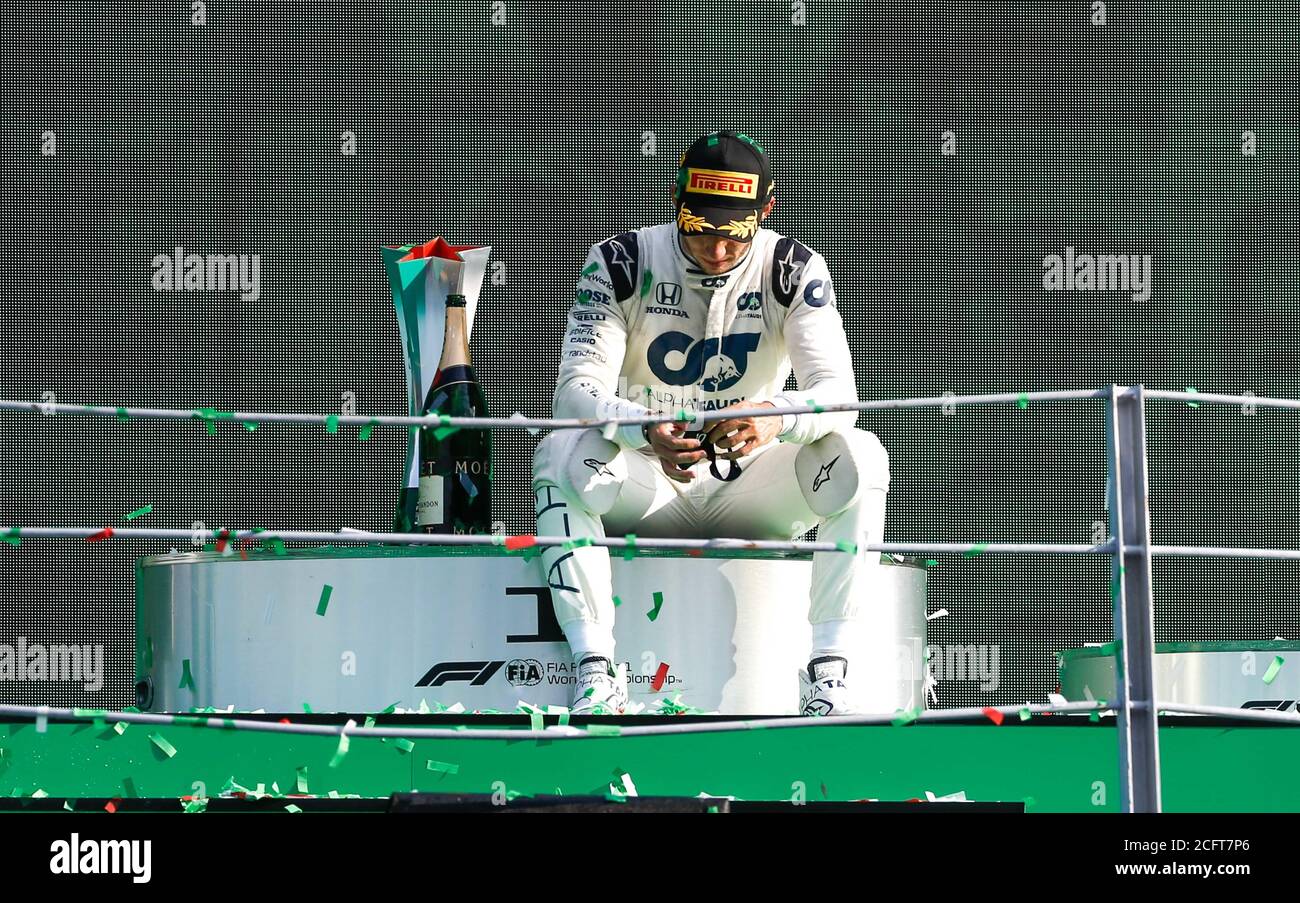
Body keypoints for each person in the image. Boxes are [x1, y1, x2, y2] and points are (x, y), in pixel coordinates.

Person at [531, 130, 890, 716]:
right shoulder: (623, 261)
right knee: (558, 454)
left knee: (861, 455)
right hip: (646, 485)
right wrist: (641, 427)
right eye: (699, 228)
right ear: (676, 203)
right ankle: (595, 672)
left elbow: (841, 396)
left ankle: (829, 674)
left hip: (752, 487)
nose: (717, 249)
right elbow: (574, 394)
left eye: (734, 233)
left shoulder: (793, 269)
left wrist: (775, 420)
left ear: (765, 210)